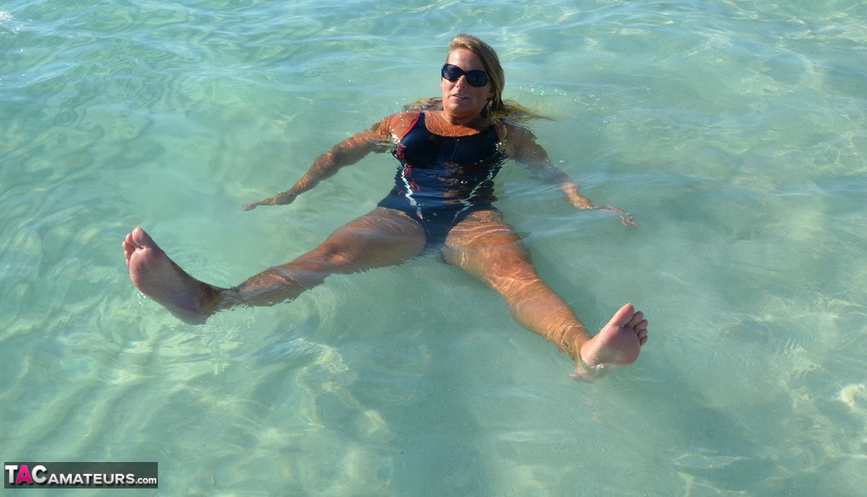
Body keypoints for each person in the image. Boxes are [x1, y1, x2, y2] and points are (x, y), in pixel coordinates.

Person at [123, 34, 647, 380]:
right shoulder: (403, 122)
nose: (460, 84)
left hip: (473, 218)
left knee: (521, 280)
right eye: (452, 72)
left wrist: (584, 203)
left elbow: (550, 172)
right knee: (327, 257)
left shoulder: (507, 133)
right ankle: (211, 300)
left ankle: (586, 352)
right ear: (441, 76)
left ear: (492, 88)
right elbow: (342, 152)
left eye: (475, 77)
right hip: (402, 215)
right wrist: (294, 191)